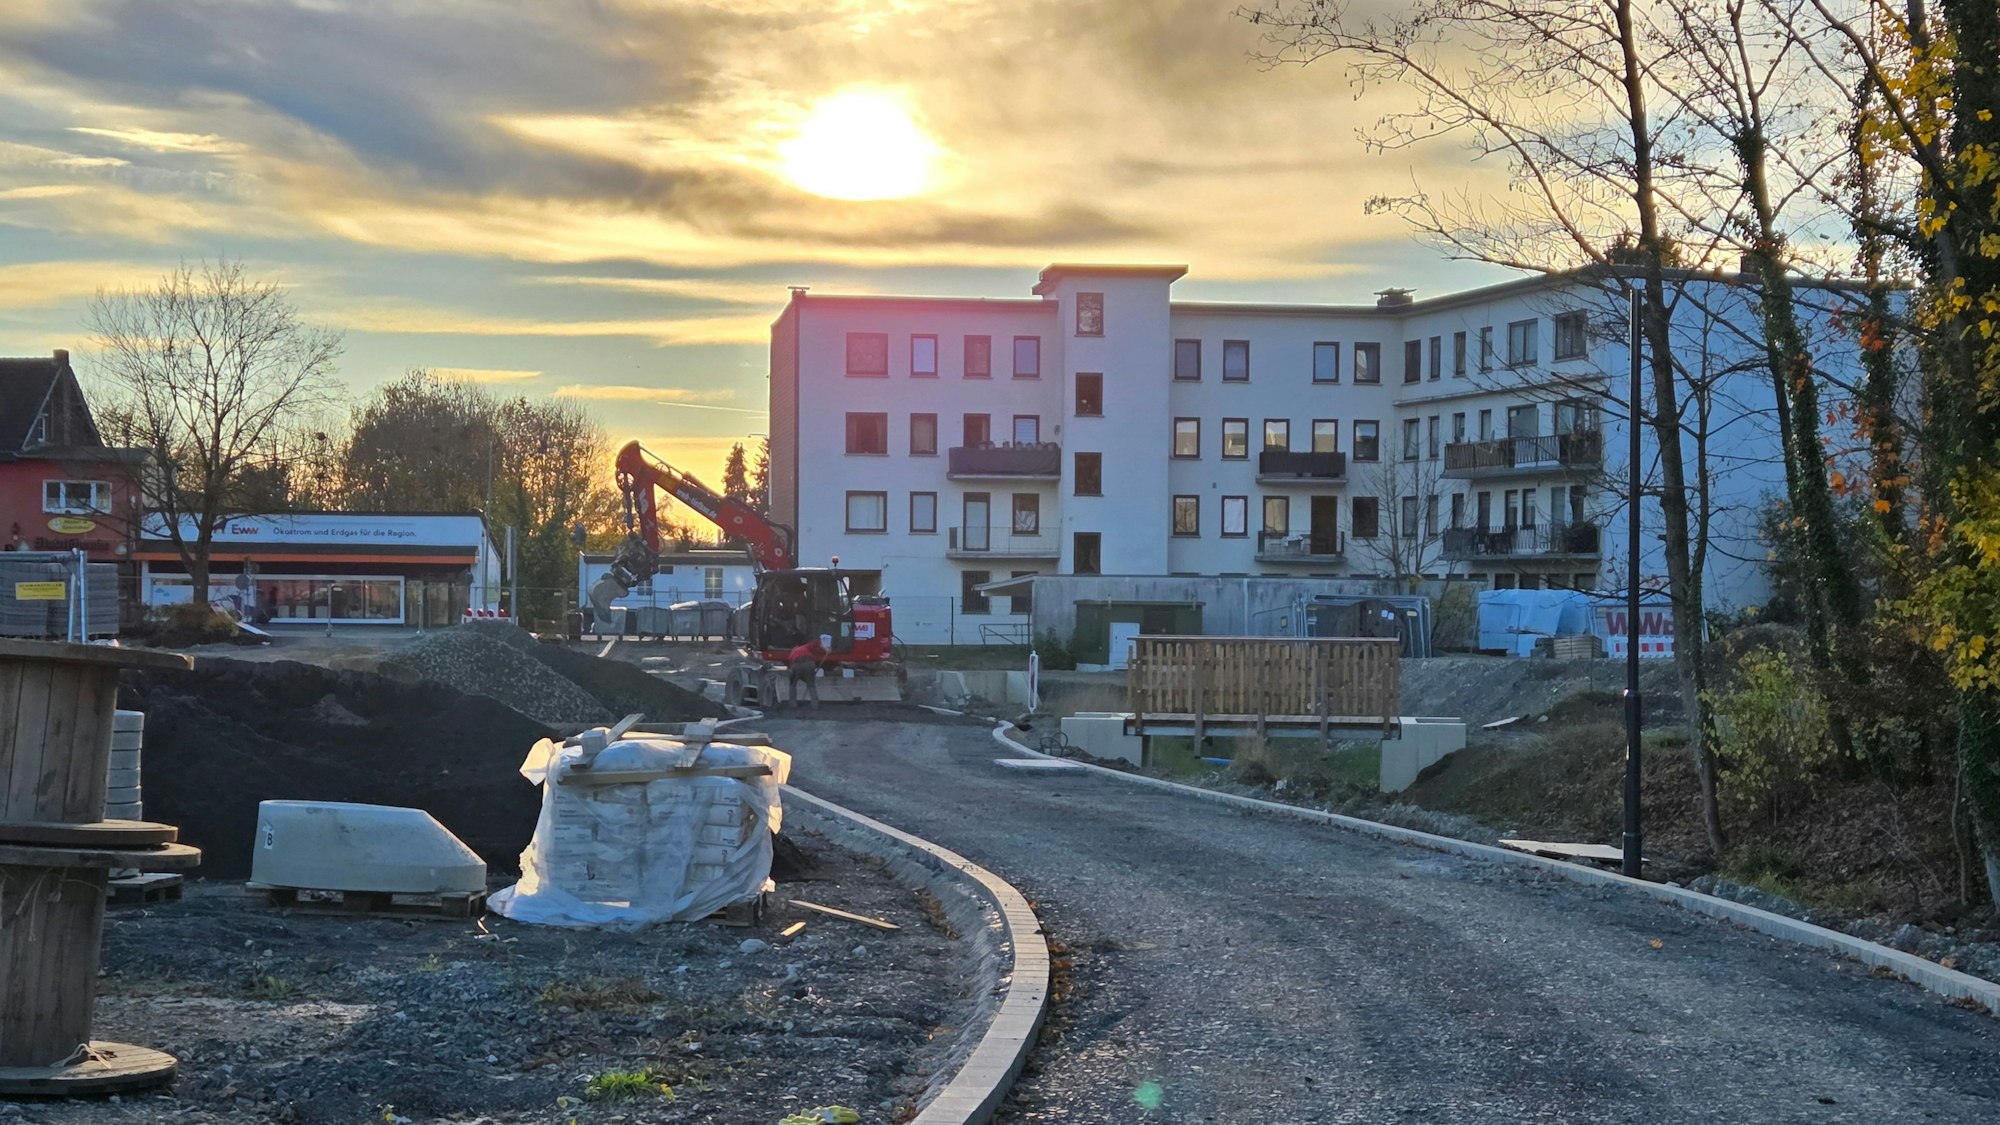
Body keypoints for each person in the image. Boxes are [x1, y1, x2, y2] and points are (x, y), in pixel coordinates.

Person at [787, 637, 827, 707]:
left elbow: (790, 659)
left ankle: (792, 703)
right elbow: (815, 643)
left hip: (797, 664)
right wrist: (826, 648)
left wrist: (794, 674)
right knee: (811, 684)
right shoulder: (806, 646)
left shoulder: (794, 650)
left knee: (792, 684)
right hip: (810, 664)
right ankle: (815, 704)